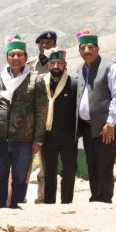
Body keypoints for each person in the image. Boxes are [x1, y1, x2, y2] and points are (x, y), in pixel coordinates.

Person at [0, 35, 47, 208]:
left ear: (26, 57)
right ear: (7, 57)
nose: (15, 58)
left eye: (19, 55)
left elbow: (41, 112)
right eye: (12, 55)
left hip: (24, 140)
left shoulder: (35, 80)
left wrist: (38, 139)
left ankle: (16, 209)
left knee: (20, 179)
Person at [76, 29, 116, 203]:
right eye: (83, 48)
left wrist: (111, 123)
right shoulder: (80, 69)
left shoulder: (111, 68)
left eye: (90, 47)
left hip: (106, 126)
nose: (87, 51)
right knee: (92, 163)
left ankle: (104, 199)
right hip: (87, 126)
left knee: (104, 164)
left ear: (97, 48)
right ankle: (95, 197)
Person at [37, 49, 79, 204]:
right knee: (49, 173)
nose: (56, 66)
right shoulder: (41, 83)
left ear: (65, 64)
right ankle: (49, 203)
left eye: (59, 63)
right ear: (48, 65)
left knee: (69, 171)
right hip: (47, 136)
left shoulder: (74, 83)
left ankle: (66, 202)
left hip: (68, 137)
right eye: (53, 63)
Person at [27, 30, 56, 203]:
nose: (45, 45)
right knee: (25, 162)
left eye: (49, 43)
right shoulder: (29, 64)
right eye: (42, 43)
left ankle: (43, 199)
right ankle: (19, 198)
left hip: (48, 121)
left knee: (45, 165)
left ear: (54, 45)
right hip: (29, 120)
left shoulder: (58, 64)